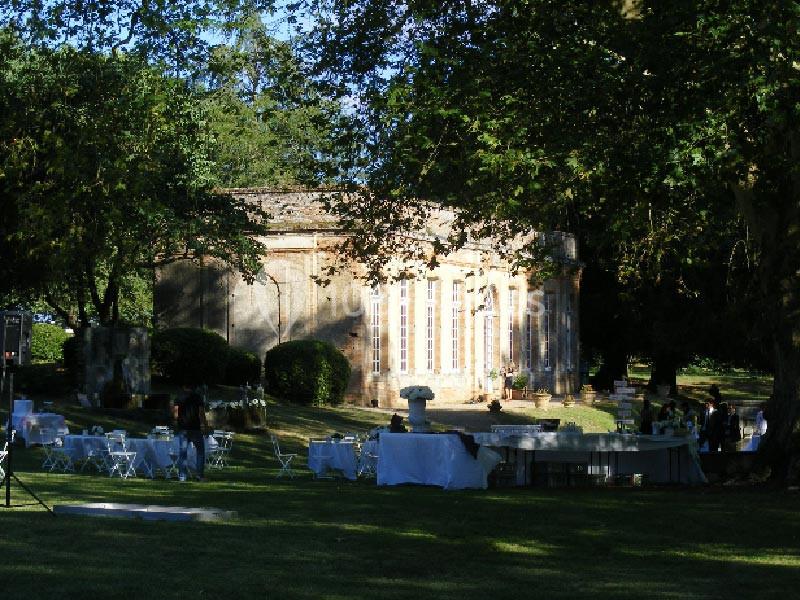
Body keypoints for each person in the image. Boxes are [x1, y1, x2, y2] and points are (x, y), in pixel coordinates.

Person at [174, 383, 207, 482]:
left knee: (183, 453)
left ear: (184, 387)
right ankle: (199, 476)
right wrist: (204, 425)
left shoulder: (179, 398)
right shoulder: (198, 397)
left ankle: (182, 477)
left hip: (183, 429)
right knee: (200, 452)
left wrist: (177, 423)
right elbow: (201, 413)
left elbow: (175, 413)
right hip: (195, 428)